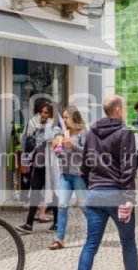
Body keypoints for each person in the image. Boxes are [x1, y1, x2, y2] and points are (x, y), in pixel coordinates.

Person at [72, 95, 138, 270]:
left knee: (90, 245)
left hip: (95, 195)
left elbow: (84, 167)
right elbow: (128, 167)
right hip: (117, 195)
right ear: (117, 110)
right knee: (128, 242)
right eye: (123, 107)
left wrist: (91, 187)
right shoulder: (125, 132)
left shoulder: (91, 133)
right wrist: (129, 198)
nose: (125, 111)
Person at [17, 99, 59, 233]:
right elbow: (26, 139)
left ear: (51, 115)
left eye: (46, 113)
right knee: (34, 193)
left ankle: (57, 223)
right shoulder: (37, 126)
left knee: (54, 194)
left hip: (51, 167)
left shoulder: (56, 129)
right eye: (41, 112)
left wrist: (49, 124)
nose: (42, 115)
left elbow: (50, 140)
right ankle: (29, 224)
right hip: (38, 165)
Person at [50, 106, 88, 250]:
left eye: (66, 117)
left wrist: (73, 144)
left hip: (79, 175)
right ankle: (59, 239)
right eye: (64, 117)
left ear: (74, 117)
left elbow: (87, 152)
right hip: (65, 175)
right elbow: (60, 155)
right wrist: (56, 149)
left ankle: (94, 234)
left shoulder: (83, 133)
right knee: (62, 206)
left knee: (84, 206)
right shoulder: (63, 133)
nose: (64, 120)